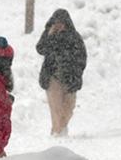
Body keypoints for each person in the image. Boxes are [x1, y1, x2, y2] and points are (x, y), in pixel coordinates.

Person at [37, 9, 87, 137]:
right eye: (56, 23)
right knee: (55, 107)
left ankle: (61, 126)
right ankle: (57, 131)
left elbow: (82, 57)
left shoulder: (74, 37)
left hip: (70, 78)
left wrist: (77, 71)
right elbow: (40, 49)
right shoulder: (48, 35)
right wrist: (50, 36)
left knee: (69, 107)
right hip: (52, 77)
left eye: (61, 23)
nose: (59, 25)